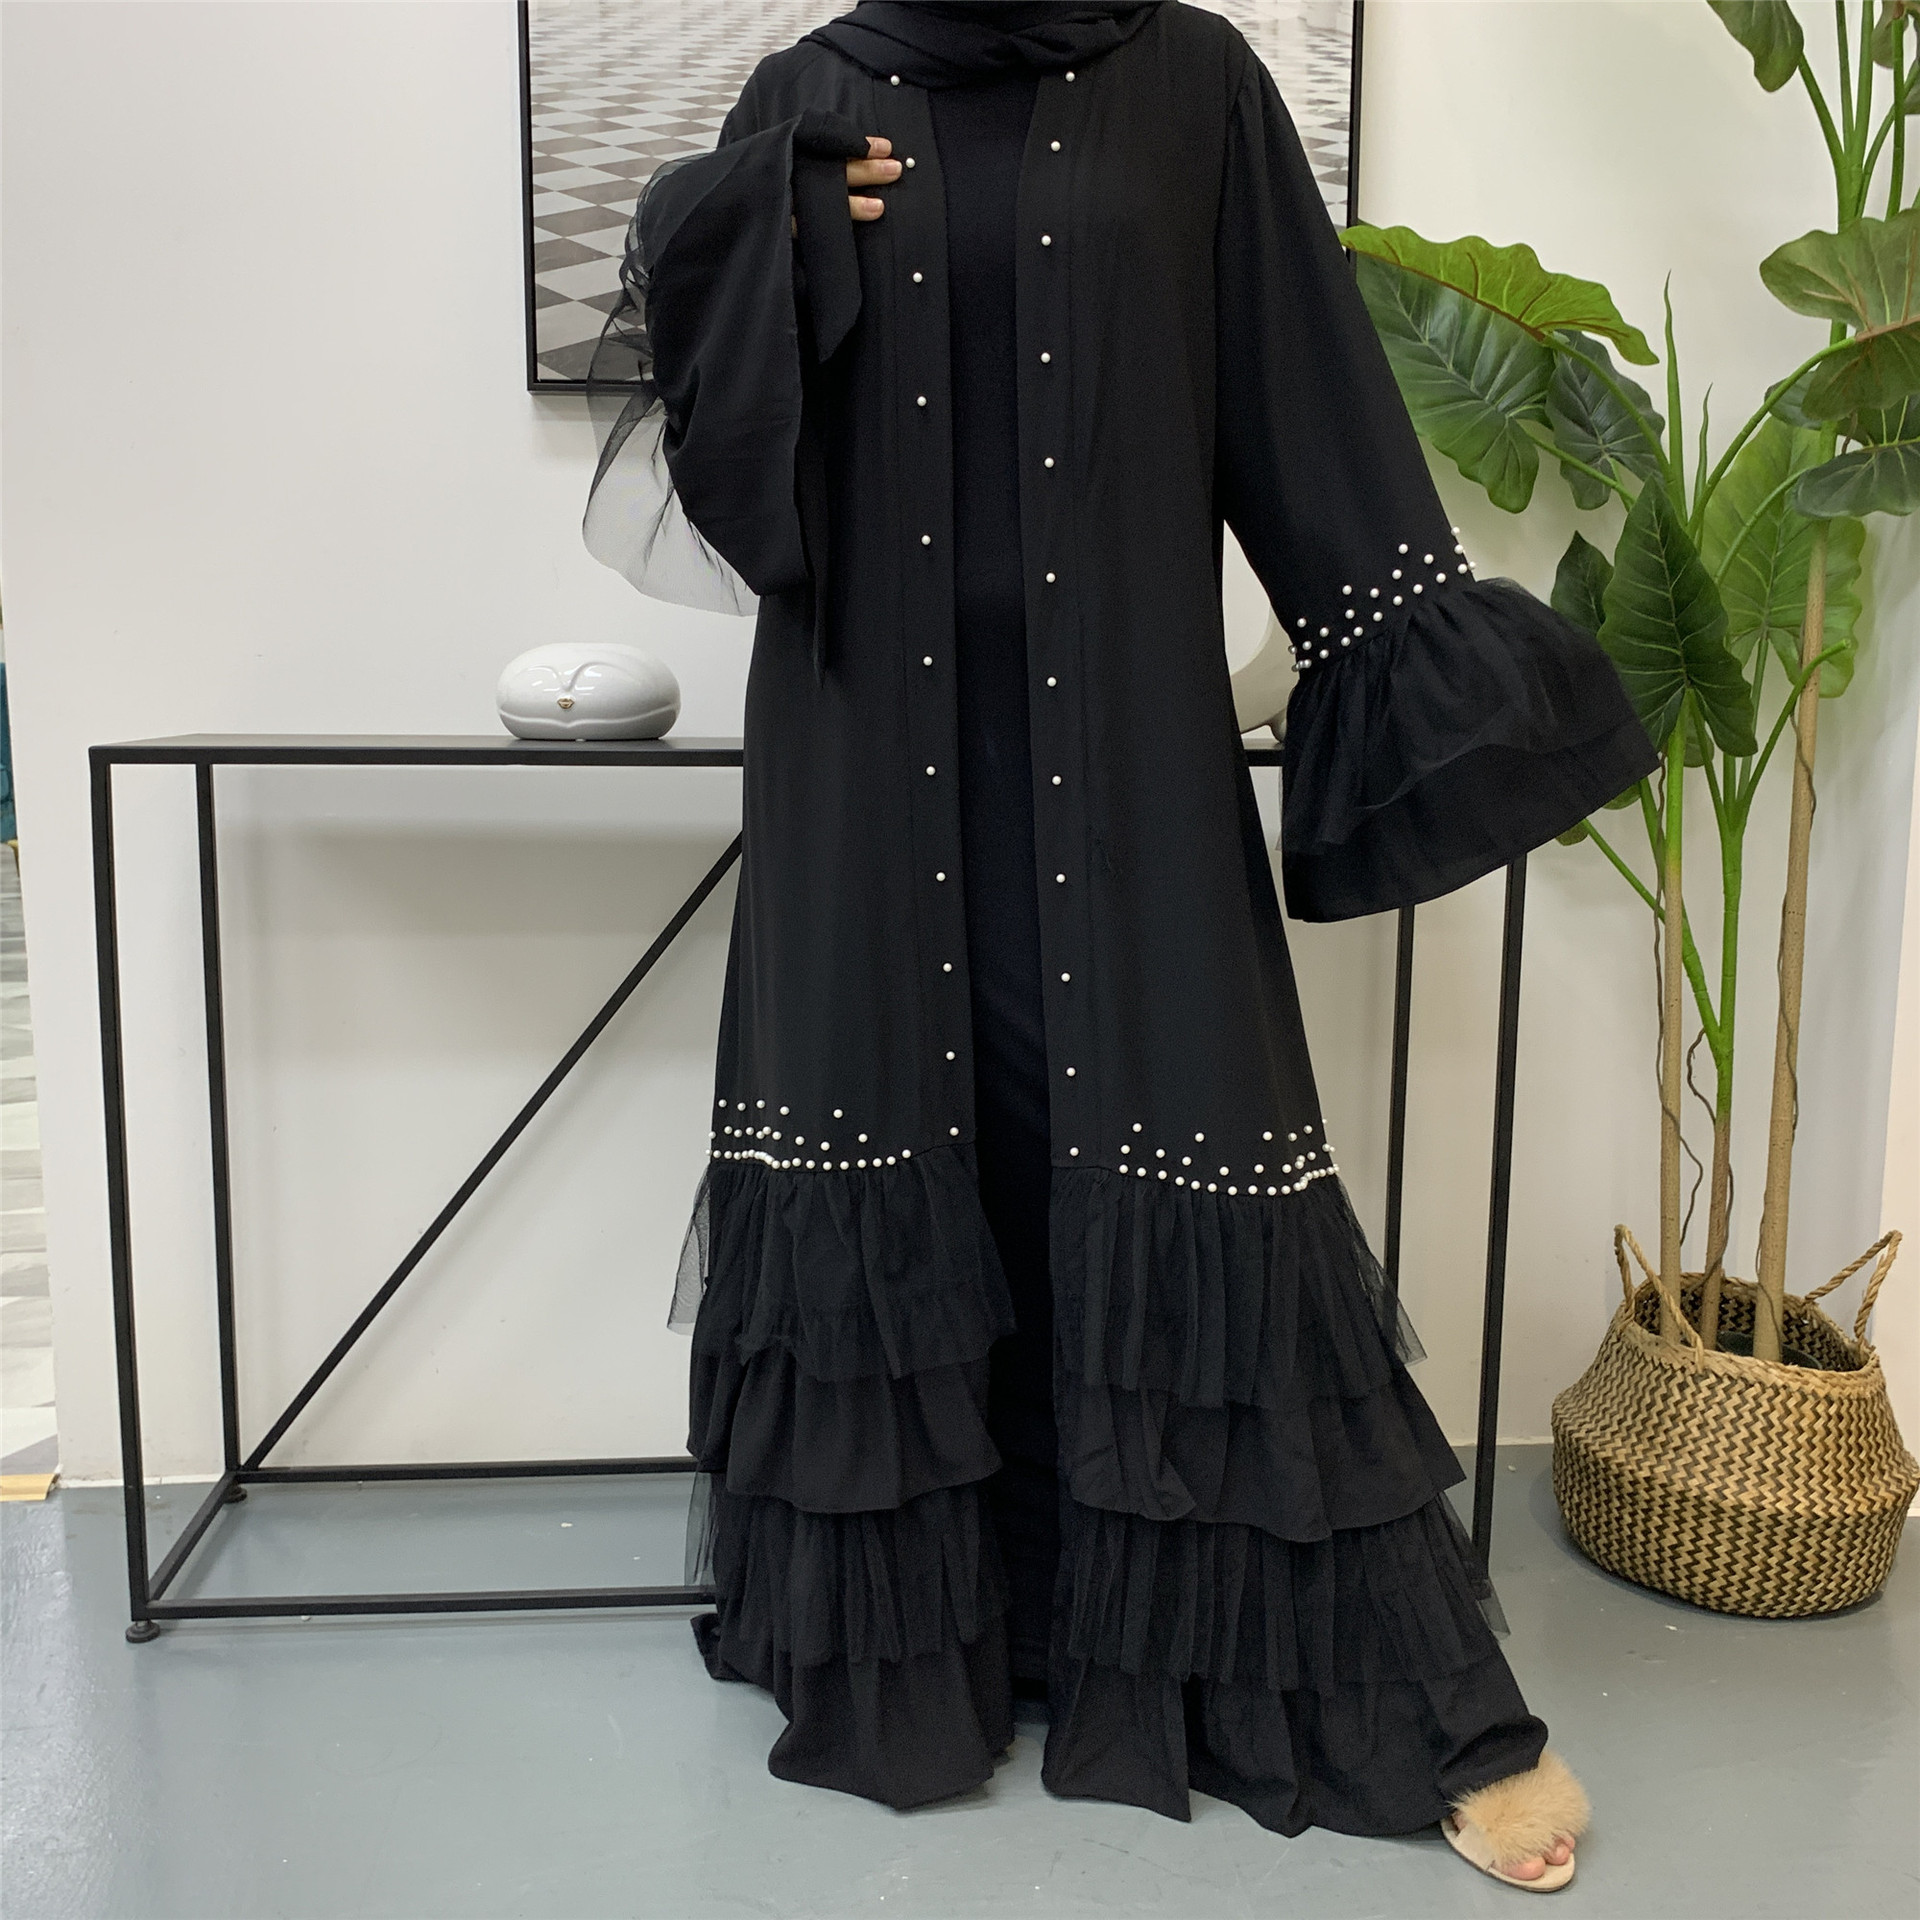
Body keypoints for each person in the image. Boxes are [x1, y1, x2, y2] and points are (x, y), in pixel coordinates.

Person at [584, 1, 1648, 1893]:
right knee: (909, 1153)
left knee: (1190, 1142)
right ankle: (949, 1641)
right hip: (862, 754)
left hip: (1126, 747)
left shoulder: (1196, 82)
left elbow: (1300, 393)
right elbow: (736, 478)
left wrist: (1406, 661)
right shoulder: (807, 93)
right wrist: (753, 221)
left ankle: (1403, 1698)